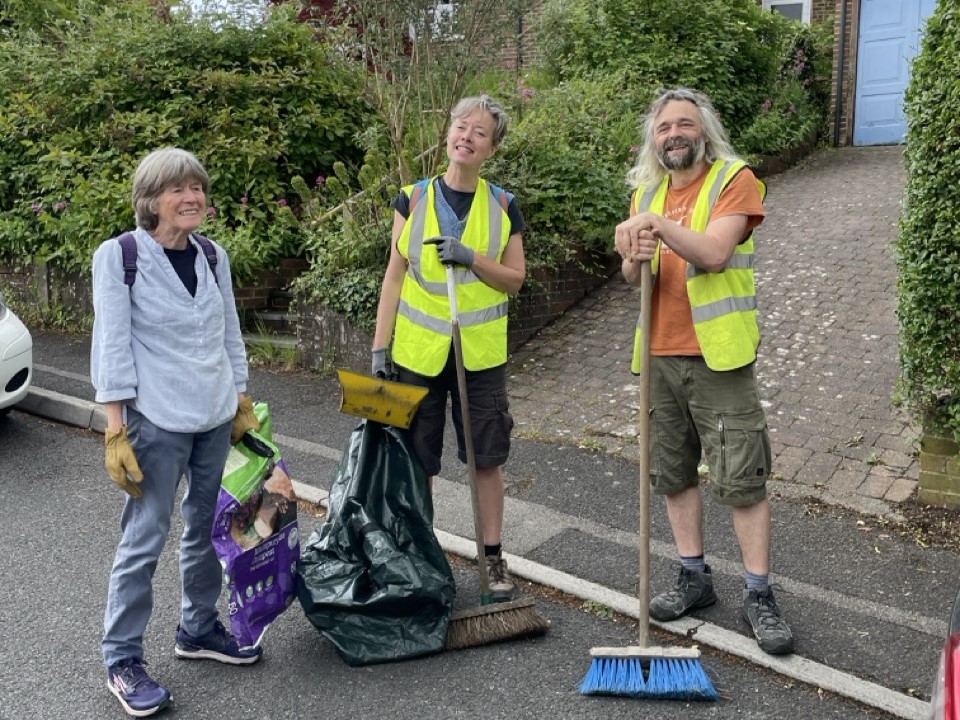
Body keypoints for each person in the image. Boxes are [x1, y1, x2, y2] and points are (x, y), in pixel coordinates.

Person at [614, 88, 794, 655]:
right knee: (672, 474)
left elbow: (715, 253)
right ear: (654, 139)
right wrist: (630, 256)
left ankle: (759, 594)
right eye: (664, 127)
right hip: (659, 356)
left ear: (704, 131)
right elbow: (631, 277)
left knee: (741, 479)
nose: (674, 134)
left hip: (719, 357)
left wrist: (656, 227)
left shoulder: (734, 180)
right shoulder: (648, 192)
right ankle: (693, 578)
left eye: (684, 124)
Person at [91, 147, 263, 717]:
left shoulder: (214, 256)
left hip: (213, 417)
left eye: (197, 187)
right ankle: (122, 659)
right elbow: (112, 344)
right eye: (177, 189)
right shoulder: (120, 257)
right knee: (145, 536)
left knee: (205, 527)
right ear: (151, 201)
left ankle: (196, 629)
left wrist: (240, 399)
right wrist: (115, 429)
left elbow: (229, 332)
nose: (192, 198)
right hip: (155, 421)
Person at [372, 94, 526, 603]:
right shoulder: (412, 199)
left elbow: (515, 281)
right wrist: (380, 349)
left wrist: (473, 258)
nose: (467, 136)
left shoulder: (504, 207)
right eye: (461, 126)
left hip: (479, 358)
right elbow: (394, 277)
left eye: (480, 132)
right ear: (447, 134)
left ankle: (494, 557)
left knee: (486, 459)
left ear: (491, 148)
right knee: (418, 461)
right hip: (416, 355)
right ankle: (421, 554)